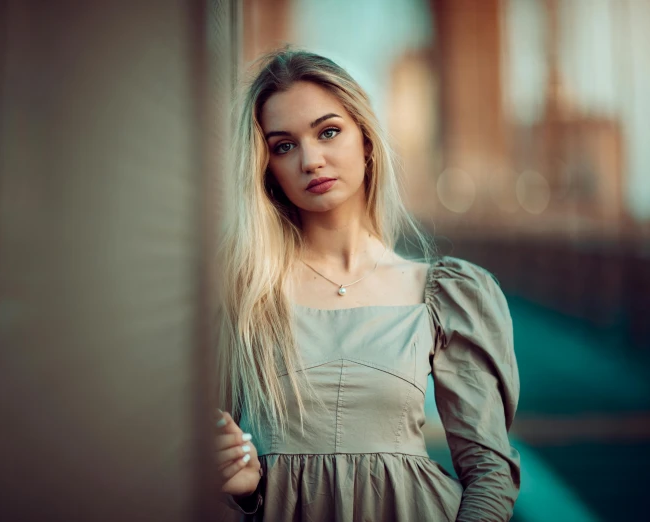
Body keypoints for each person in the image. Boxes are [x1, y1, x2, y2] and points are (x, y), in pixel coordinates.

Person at [213, 48, 520, 522]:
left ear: (366, 140)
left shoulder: (446, 292)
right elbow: (206, 467)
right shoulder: (243, 294)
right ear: (266, 168)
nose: (311, 160)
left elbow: (489, 472)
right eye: (284, 145)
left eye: (328, 131)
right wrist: (245, 489)